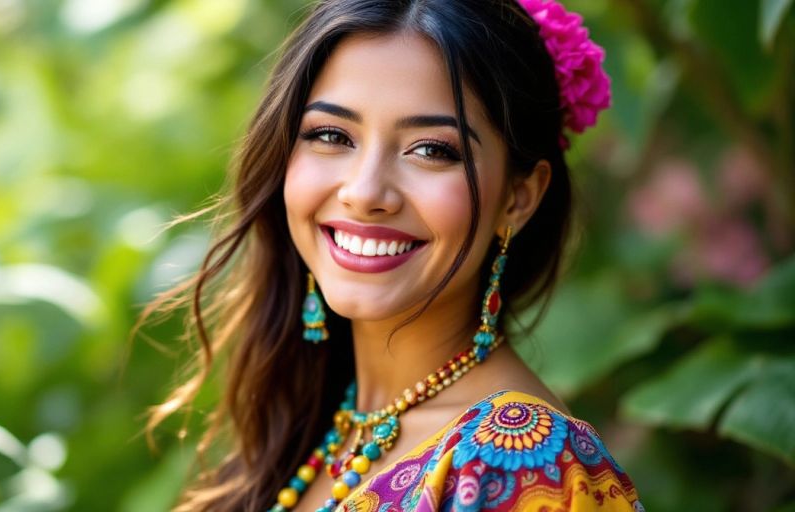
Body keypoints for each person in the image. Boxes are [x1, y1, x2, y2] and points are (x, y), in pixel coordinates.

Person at [143, 0, 643, 510]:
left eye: (431, 149)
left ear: (518, 198)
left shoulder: (524, 460)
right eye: (331, 135)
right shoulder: (315, 432)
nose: (364, 192)